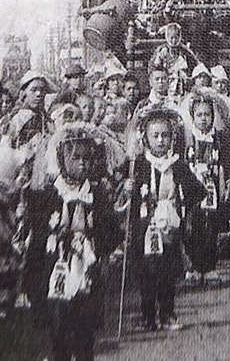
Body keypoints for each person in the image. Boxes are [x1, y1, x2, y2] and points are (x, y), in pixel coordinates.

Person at [22, 127, 123, 361]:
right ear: (61, 160)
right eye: (75, 158)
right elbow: (37, 235)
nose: (82, 164)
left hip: (86, 261)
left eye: (87, 159)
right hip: (56, 261)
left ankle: (84, 355)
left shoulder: (95, 194)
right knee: (59, 318)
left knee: (85, 320)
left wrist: (105, 246)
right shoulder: (48, 194)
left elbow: (109, 228)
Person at [128, 109, 205, 331]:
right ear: (146, 139)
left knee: (167, 272)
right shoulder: (139, 164)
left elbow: (197, 191)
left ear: (172, 138)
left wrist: (183, 212)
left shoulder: (177, 164)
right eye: (156, 136)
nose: (161, 141)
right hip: (146, 226)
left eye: (165, 135)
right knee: (147, 272)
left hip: (169, 225)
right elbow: (129, 200)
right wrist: (129, 190)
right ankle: (147, 315)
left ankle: (167, 313)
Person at [183, 93, 230, 283]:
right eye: (199, 115)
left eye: (207, 114)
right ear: (193, 116)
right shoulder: (187, 138)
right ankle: (192, 266)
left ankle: (209, 266)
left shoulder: (220, 139)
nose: (204, 119)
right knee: (191, 227)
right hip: (191, 189)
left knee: (211, 227)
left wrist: (228, 180)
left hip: (213, 188)